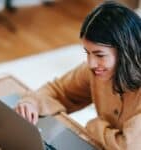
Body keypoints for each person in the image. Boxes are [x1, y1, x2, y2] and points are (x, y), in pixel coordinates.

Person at [15, 1, 141, 149]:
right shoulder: (96, 71)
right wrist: (32, 103)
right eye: (87, 53)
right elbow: (59, 90)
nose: (91, 63)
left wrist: (94, 127)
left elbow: (128, 146)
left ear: (126, 53)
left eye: (99, 55)